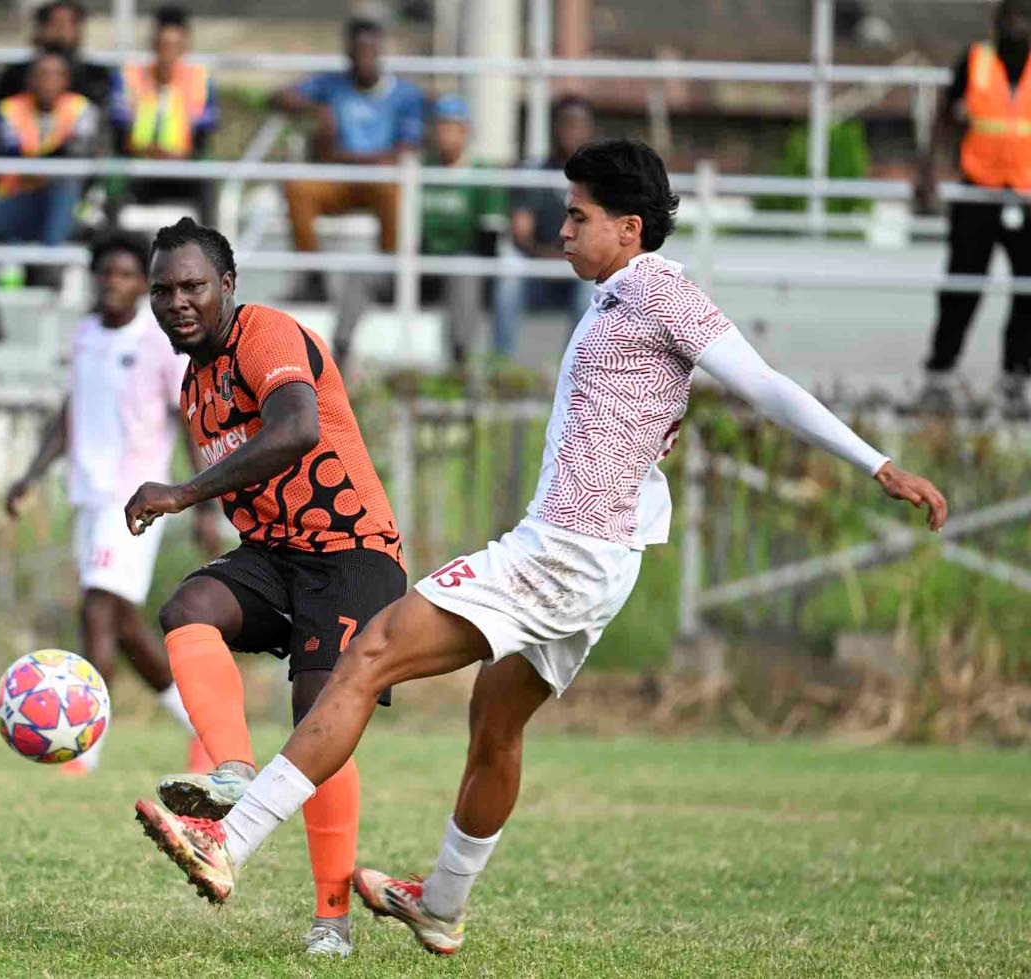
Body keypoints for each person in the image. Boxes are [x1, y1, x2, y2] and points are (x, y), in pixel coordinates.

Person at [127, 139, 950, 956]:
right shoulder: (615, 297)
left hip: (564, 551)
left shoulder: (660, 290)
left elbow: (764, 382)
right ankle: (441, 904)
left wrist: (875, 462)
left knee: (368, 653)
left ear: (629, 228)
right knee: (495, 722)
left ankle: (227, 840)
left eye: (577, 216)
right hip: (599, 561)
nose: (561, 230)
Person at [125, 219, 406, 958]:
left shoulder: (267, 334)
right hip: (276, 554)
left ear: (228, 285)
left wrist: (183, 494)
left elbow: (295, 430)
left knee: (318, 728)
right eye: (163, 290)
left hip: (353, 553)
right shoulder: (196, 385)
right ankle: (230, 772)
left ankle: (332, 921)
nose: (177, 302)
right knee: (189, 607)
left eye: (192, 286)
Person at [6, 231, 215, 775]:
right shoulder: (84, 336)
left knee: (96, 609)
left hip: (136, 500)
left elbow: (190, 423)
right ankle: (206, 727)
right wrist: (30, 475)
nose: (115, 284)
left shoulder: (158, 343)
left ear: (143, 286)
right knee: (122, 626)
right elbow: (72, 412)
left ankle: (82, 749)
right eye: (107, 275)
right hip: (89, 495)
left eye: (127, 276)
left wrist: (205, 505)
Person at [914, 0, 1031, 419]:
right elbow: (943, 117)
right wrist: (927, 173)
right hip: (978, 193)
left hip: (1027, 197)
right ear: (995, 22)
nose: (1016, 26)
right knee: (961, 286)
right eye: (1009, 18)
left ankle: (1016, 380)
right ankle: (939, 376)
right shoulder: (976, 61)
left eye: (1024, 18)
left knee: (1027, 291)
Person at [332, 94, 505, 369]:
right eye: (440, 126)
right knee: (362, 272)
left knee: (466, 269)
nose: (444, 134)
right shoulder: (418, 169)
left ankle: (460, 363)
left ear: (465, 131)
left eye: (452, 127)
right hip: (416, 261)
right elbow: (400, 228)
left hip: (456, 266)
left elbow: (488, 238)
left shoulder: (483, 174)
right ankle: (339, 352)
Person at [270, 15, 425, 303]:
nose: (364, 58)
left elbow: (404, 151)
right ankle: (313, 276)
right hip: (339, 180)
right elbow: (277, 97)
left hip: (379, 181)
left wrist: (346, 157)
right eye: (358, 51)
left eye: (370, 51)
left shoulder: (405, 95)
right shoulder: (331, 86)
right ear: (349, 53)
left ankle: (388, 280)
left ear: (380, 52)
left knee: (395, 192)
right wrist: (316, 109)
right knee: (297, 188)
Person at [492, 95, 596, 360]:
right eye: (565, 123)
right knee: (508, 285)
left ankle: (573, 375)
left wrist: (570, 257)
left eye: (578, 124)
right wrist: (549, 256)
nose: (571, 131)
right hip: (536, 265)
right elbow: (520, 232)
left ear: (589, 130)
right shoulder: (533, 172)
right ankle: (503, 369)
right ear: (554, 127)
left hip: (579, 271)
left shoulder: (601, 180)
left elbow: (599, 236)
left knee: (592, 292)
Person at [107, 4, 220, 226]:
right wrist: (145, 151)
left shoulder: (200, 80)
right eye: (163, 45)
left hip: (183, 164)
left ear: (185, 45)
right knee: (112, 173)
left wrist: (179, 156)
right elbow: (118, 125)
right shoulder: (129, 77)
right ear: (153, 43)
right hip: (137, 161)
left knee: (207, 174)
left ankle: (210, 250)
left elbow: (206, 129)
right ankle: (112, 244)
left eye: (175, 45)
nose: (168, 52)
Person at [0, 48, 99, 249]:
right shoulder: (9, 109)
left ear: (66, 80)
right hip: (17, 197)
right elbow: (11, 155)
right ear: (30, 80)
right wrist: (45, 169)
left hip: (67, 203)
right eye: (42, 74)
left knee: (64, 187)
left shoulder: (82, 109)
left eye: (55, 75)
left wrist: (44, 171)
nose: (47, 81)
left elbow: (77, 154)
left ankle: (51, 262)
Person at [0, 0, 112, 111]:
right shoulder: (16, 74)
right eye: (56, 23)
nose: (61, 30)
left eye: (70, 23)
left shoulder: (95, 76)